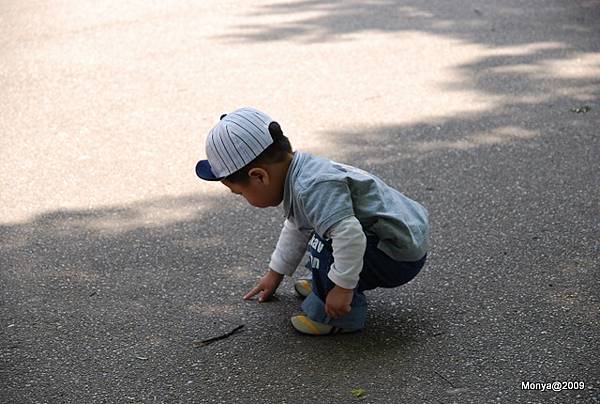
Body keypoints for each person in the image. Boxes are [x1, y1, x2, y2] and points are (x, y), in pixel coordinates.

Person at [195, 107, 429, 335]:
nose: (243, 199)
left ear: (259, 176)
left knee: (323, 243)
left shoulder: (311, 187)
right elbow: (297, 225)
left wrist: (342, 287)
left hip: (397, 253)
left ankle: (338, 316)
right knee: (322, 232)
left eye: (240, 193)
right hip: (396, 236)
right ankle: (324, 282)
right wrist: (274, 273)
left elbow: (350, 235)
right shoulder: (300, 171)